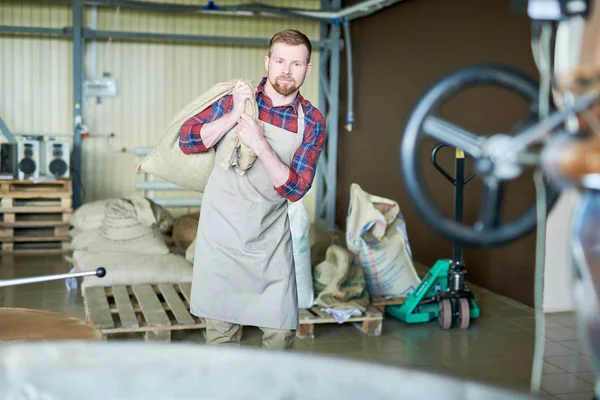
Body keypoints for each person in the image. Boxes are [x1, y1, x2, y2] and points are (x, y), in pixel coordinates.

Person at [178, 29, 326, 350]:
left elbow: (295, 189)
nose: (286, 70)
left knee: (279, 338)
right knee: (221, 343)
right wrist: (233, 117)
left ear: (307, 69)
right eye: (280, 61)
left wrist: (259, 143)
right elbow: (188, 140)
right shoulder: (235, 99)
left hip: (269, 244)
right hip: (221, 242)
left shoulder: (311, 120)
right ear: (267, 62)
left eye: (296, 64)